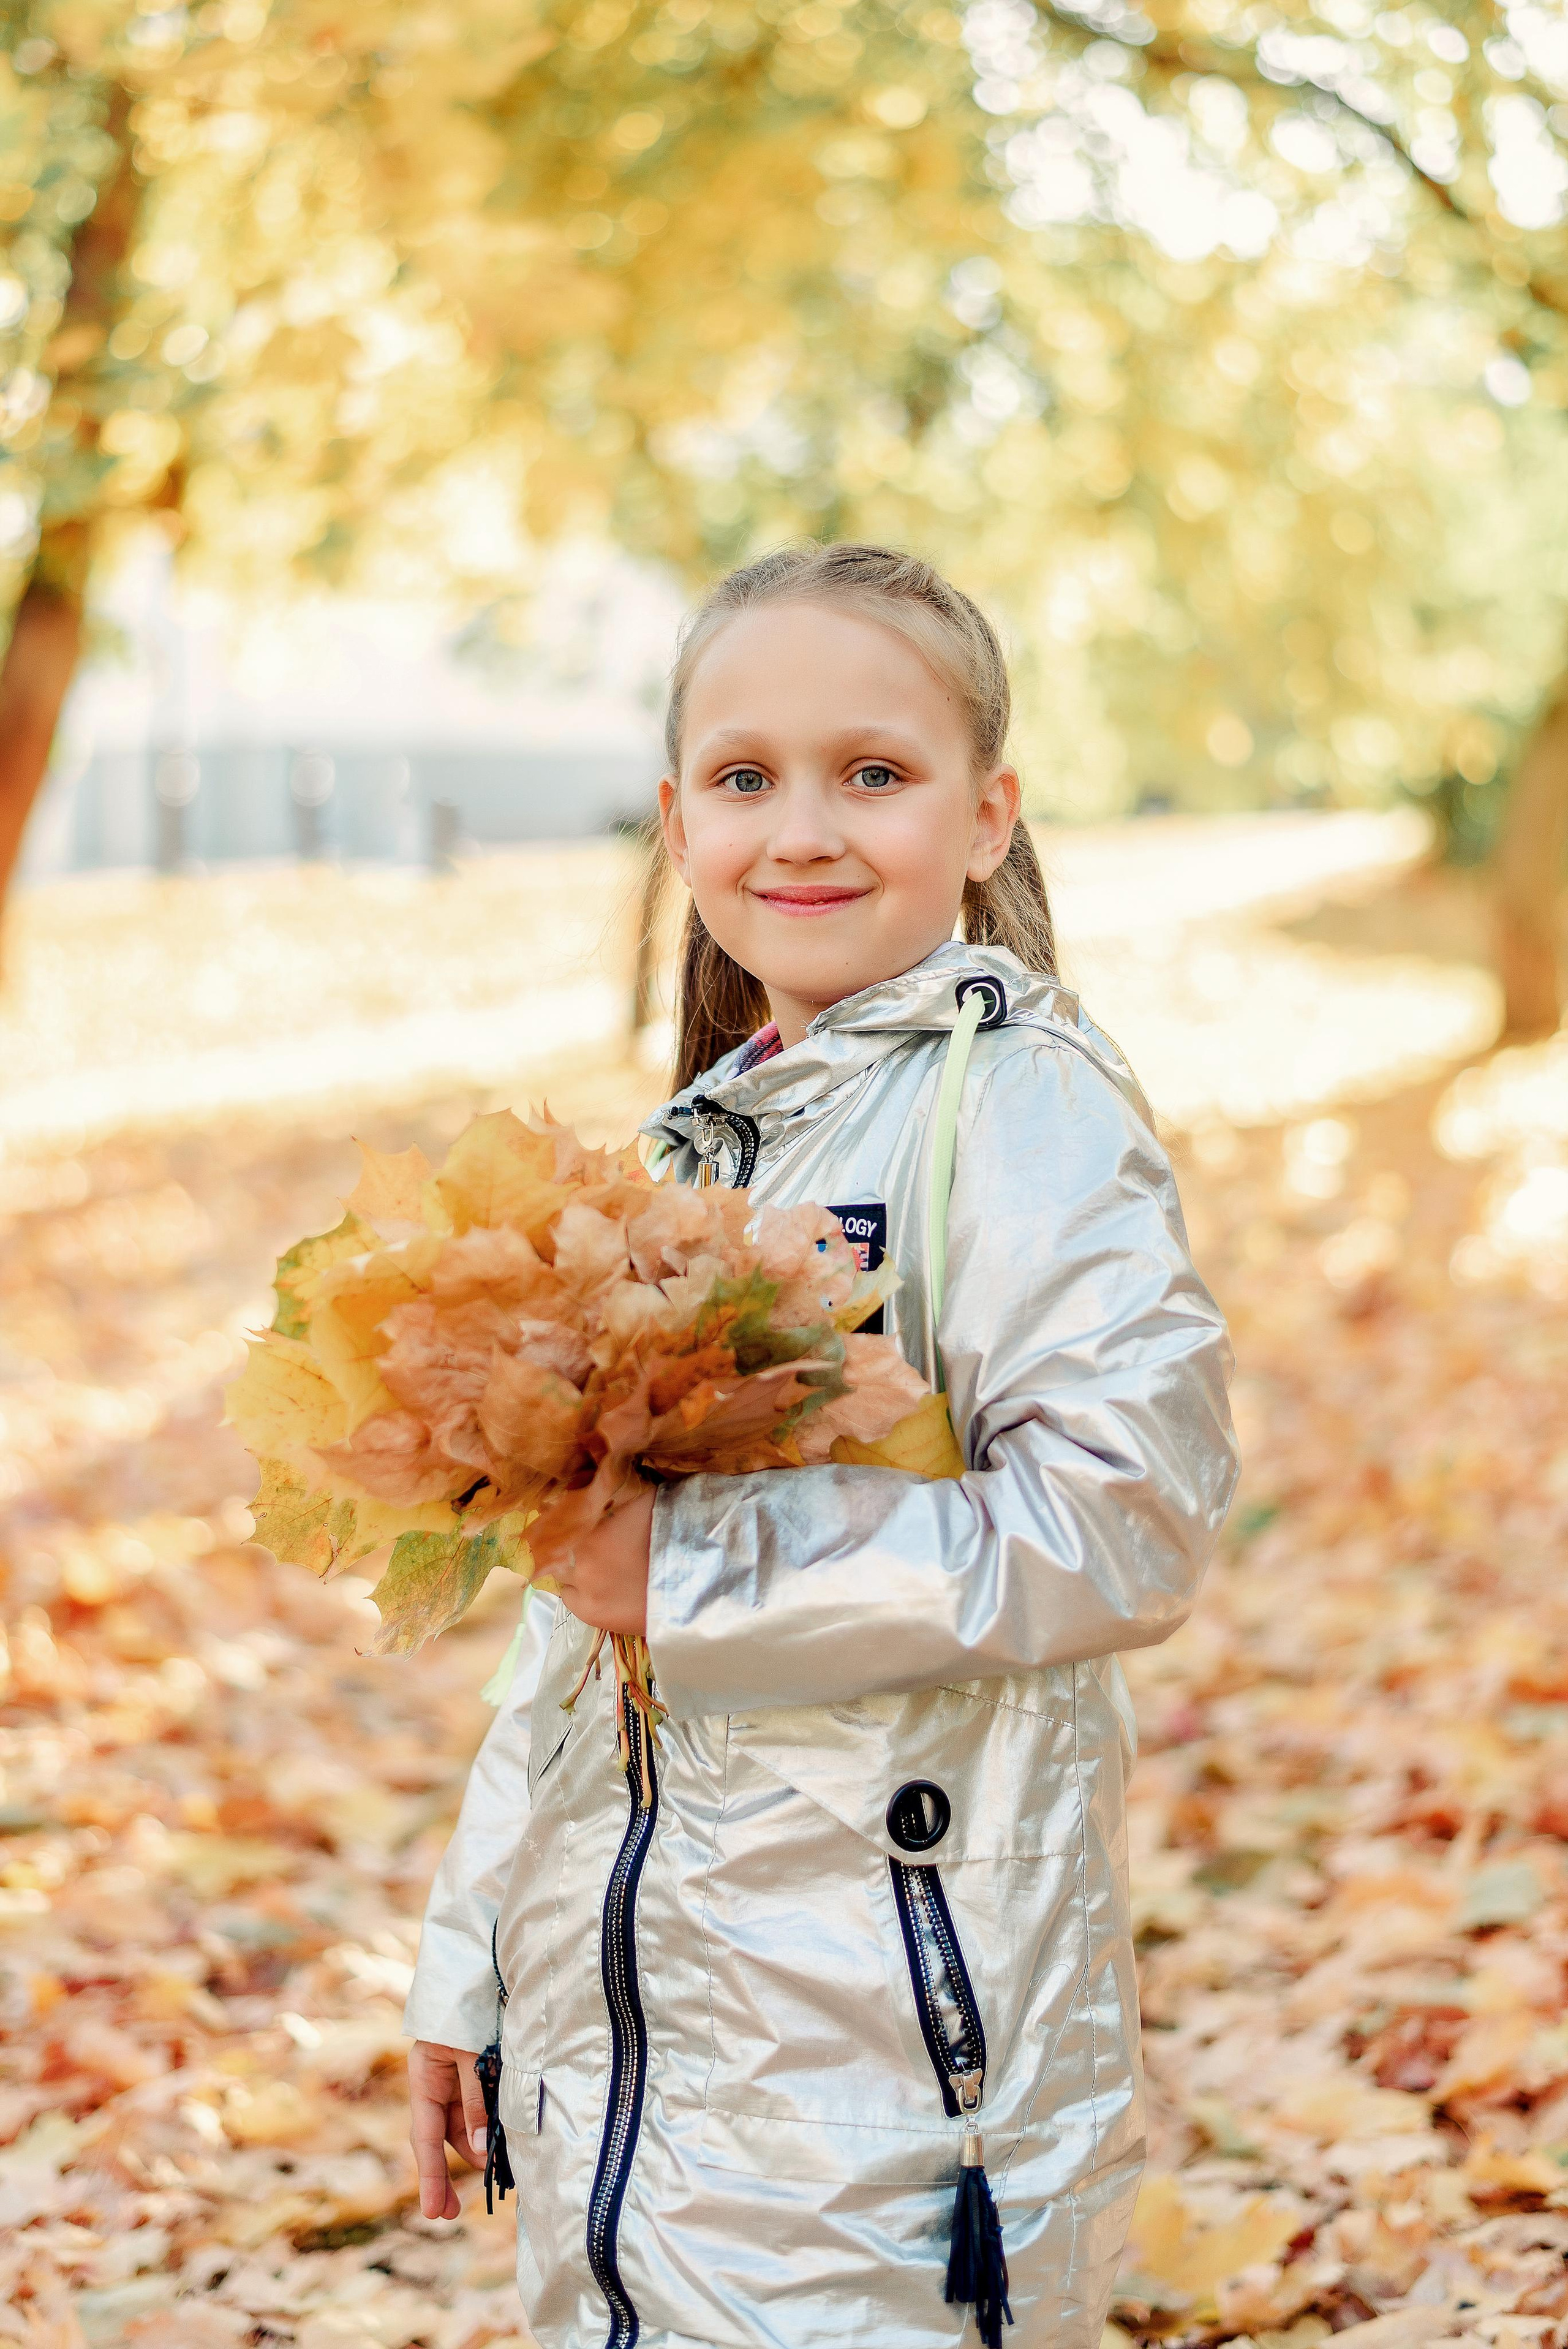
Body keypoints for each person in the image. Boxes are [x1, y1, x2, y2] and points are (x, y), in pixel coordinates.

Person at [402, 543, 1238, 2349]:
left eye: (875, 772)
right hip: (635, 2082)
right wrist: (471, 1953)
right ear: (675, 819)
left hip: (891, 2097)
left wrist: (699, 1577)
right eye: (745, 777)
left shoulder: (1022, 1109)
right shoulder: (688, 1156)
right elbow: (578, 1610)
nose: (805, 826)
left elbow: (1126, 1516)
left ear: (987, 815)